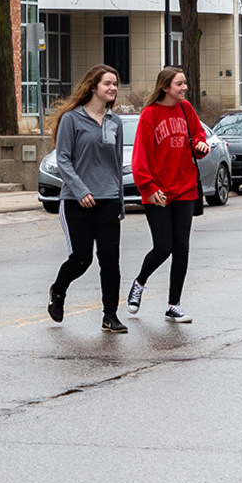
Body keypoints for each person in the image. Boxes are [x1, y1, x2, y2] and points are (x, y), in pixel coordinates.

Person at [45, 64, 129, 333]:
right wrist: (81, 191)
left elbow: (116, 163)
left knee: (110, 261)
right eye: (107, 83)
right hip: (76, 201)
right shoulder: (72, 119)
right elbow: (63, 159)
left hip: (108, 199)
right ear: (93, 87)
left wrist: (120, 201)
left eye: (115, 83)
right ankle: (58, 291)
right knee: (82, 259)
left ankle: (110, 315)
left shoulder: (115, 122)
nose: (113, 88)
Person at [128, 67, 209, 323]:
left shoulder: (186, 110)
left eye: (184, 83)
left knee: (181, 249)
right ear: (165, 87)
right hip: (158, 193)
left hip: (185, 188)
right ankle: (139, 283)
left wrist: (200, 145)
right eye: (179, 84)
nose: (184, 88)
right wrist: (149, 188)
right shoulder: (149, 114)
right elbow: (140, 157)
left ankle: (174, 305)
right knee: (163, 247)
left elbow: (198, 136)